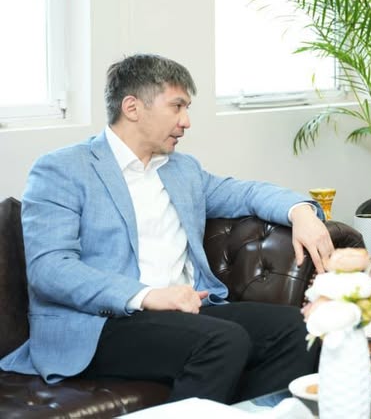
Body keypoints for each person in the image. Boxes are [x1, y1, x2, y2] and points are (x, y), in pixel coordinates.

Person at [0, 54, 335, 404]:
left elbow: (246, 193)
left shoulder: (182, 170)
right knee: (224, 340)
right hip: (101, 324)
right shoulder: (63, 169)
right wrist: (147, 295)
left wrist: (301, 212)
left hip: (187, 314)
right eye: (177, 106)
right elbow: (50, 269)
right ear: (132, 107)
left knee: (300, 329)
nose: (186, 121)